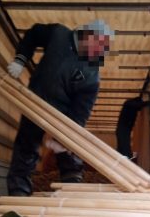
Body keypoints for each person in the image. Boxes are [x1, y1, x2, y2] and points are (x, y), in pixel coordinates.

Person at [6, 20, 114, 196]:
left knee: (69, 151)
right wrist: (21, 59)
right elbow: (33, 34)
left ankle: (72, 189)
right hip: (35, 102)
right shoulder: (59, 34)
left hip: (62, 116)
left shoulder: (91, 75)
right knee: (26, 149)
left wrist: (64, 140)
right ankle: (19, 193)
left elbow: (81, 111)